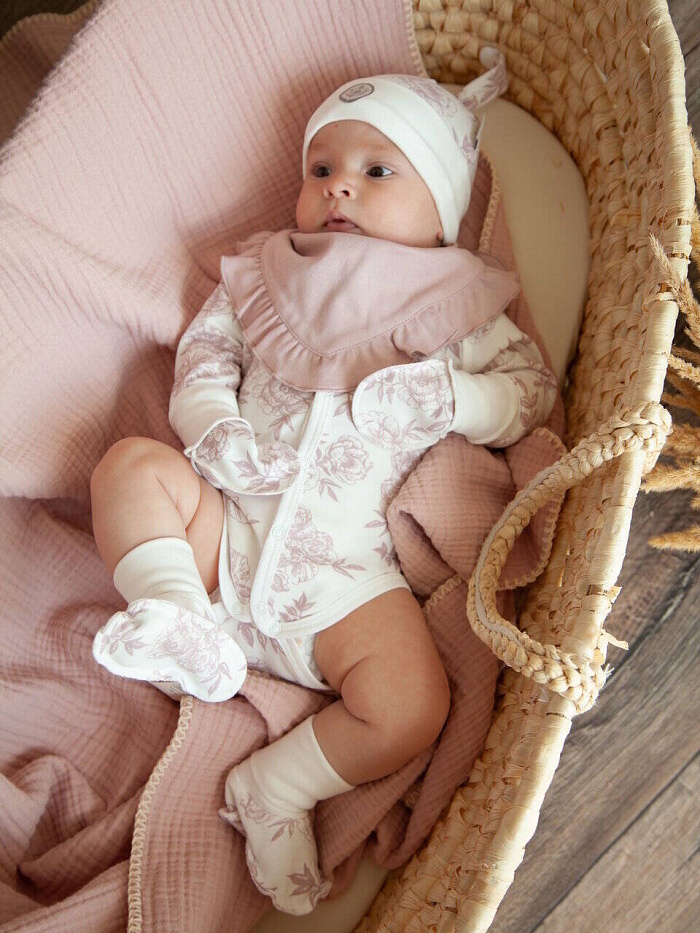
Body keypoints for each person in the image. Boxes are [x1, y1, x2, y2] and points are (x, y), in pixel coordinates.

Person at [90, 48, 558, 915]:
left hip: (346, 581)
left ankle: (278, 784)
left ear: (442, 212)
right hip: (223, 528)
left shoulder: (458, 306)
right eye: (321, 168)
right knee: (129, 468)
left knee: (414, 704)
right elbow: (205, 353)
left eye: (378, 171)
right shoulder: (270, 271)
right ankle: (177, 617)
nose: (339, 184)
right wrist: (215, 428)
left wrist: (456, 399)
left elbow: (532, 394)